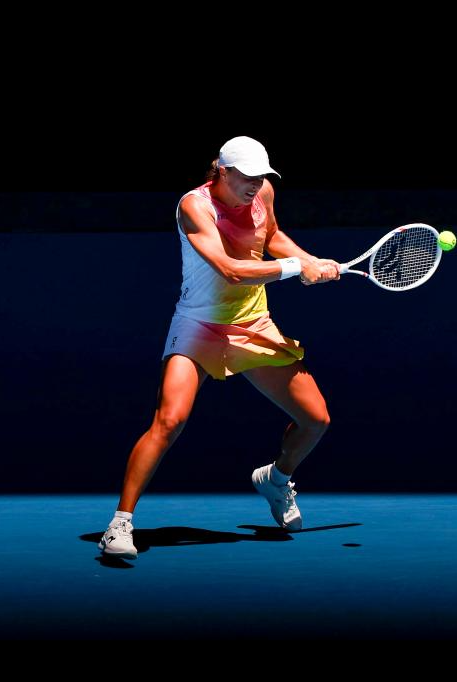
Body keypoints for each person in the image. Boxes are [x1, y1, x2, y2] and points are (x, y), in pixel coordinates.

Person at [99, 136, 341, 560]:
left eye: (261, 176)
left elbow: (271, 235)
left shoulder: (263, 192)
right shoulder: (194, 206)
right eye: (246, 177)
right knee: (169, 420)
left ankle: (276, 479)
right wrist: (294, 267)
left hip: (253, 323)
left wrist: (310, 260)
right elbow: (230, 270)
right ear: (222, 172)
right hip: (199, 324)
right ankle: (119, 524)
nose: (255, 184)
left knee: (315, 419)